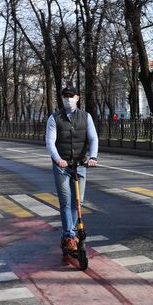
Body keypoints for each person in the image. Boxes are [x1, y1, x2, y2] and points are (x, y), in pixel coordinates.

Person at [45, 86, 98, 253]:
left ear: (78, 98)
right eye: (65, 96)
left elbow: (93, 138)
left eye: (71, 96)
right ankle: (69, 235)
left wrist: (93, 157)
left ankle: (72, 232)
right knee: (66, 201)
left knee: (78, 202)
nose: (68, 99)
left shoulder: (86, 117)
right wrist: (58, 159)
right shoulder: (54, 118)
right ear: (61, 98)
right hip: (62, 166)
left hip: (80, 165)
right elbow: (50, 142)